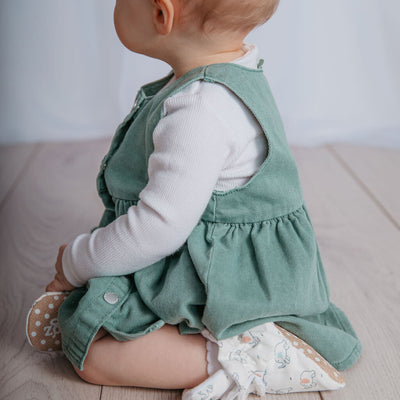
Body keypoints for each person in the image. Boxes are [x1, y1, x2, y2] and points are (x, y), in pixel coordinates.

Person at [26, 0, 361, 398]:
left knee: (95, 355)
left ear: (160, 14)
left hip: (230, 285)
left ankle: (254, 355)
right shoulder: (230, 72)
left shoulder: (199, 109)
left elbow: (156, 230)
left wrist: (75, 262)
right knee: (100, 304)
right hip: (229, 260)